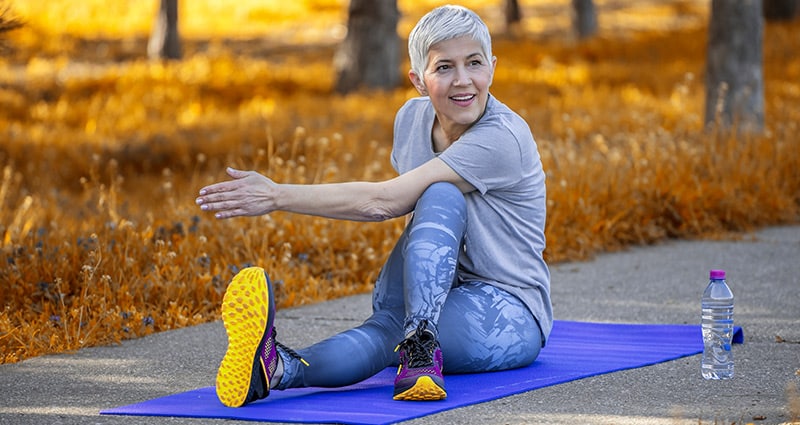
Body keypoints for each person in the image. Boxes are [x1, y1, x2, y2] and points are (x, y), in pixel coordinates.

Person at [195, 5, 551, 406]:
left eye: (474, 63)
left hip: (508, 309)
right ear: (419, 80)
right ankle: (276, 370)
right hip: (430, 288)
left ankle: (419, 344)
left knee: (437, 197)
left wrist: (278, 195)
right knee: (387, 324)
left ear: (493, 67)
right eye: (444, 67)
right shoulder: (411, 120)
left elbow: (385, 201)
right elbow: (411, 210)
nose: (463, 80)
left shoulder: (503, 138)